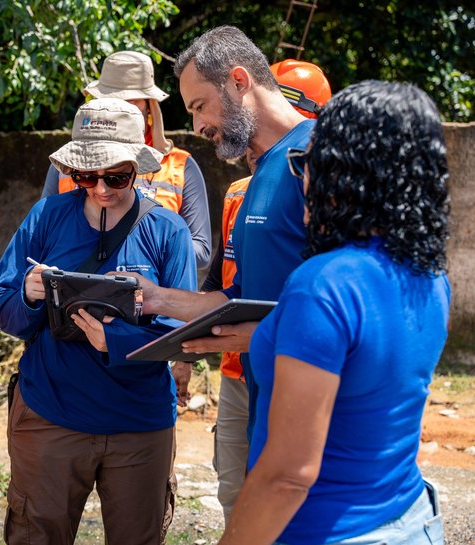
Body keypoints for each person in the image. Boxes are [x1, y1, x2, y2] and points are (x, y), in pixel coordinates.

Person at [219, 79, 450, 545]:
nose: (302, 180)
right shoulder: (431, 276)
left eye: (307, 163)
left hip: (326, 531)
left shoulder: (324, 285)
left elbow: (288, 476)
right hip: (411, 521)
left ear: (348, 175)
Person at [0, 97, 197, 545]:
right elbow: (0, 303)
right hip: (50, 413)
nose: (101, 189)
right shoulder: (46, 216)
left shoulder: (167, 230)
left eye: (116, 177)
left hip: (138, 424)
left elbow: (182, 334)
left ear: (138, 168)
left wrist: (115, 341)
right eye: (86, 176)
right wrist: (27, 294)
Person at [174, 58, 332, 524]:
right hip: (256, 386)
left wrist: (258, 337)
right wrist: (159, 302)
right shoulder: (252, 183)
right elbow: (232, 287)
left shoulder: (315, 163)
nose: (199, 126)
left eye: (201, 107)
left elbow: (345, 305)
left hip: (314, 404)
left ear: (240, 82)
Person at [41, 50, 213, 269]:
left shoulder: (179, 166)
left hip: (153, 297)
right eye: (112, 101)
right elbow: (42, 236)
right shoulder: (66, 164)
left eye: (130, 103)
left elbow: (202, 251)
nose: (119, 110)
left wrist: (140, 250)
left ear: (150, 107)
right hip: (76, 295)